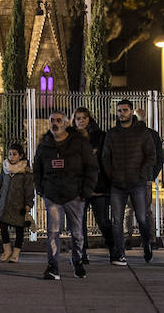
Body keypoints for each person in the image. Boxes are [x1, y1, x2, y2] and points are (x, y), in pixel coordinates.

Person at [33, 110, 98, 280]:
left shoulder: (79, 143)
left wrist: (85, 191)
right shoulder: (44, 144)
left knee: (76, 233)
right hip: (52, 194)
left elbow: (91, 167)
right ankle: (53, 266)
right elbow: (37, 169)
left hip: (74, 195)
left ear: (66, 123)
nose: (55, 123)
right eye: (52, 120)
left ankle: (78, 262)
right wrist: (41, 189)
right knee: (53, 232)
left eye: (59, 120)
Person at [101, 99, 160, 265]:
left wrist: (142, 174)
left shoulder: (142, 132)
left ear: (131, 112)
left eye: (125, 110)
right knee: (117, 220)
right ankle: (120, 254)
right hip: (117, 184)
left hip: (137, 183)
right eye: (119, 110)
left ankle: (146, 243)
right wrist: (111, 174)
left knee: (142, 218)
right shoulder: (112, 134)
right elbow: (105, 157)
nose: (122, 113)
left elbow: (151, 156)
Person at [72, 107, 112, 263]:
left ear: (89, 119)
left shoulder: (100, 136)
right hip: (78, 188)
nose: (81, 120)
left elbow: (104, 162)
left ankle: (114, 249)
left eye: (84, 117)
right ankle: (81, 254)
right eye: (78, 118)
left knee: (103, 221)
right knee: (78, 224)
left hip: (98, 187)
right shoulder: (70, 138)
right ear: (74, 121)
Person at [0, 142, 34, 264]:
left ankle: (16, 253)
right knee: (3, 226)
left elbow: (29, 189)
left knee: (19, 230)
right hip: (5, 204)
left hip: (19, 205)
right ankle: (7, 249)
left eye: (14, 154)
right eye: (9, 154)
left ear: (20, 156)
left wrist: (29, 204)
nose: (11, 157)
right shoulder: (5, 169)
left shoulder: (26, 172)